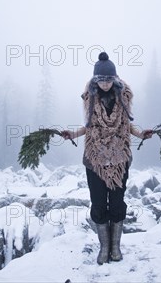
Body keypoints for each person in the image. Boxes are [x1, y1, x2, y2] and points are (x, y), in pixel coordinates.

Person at [61, 52, 153, 265]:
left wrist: (141, 134)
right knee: (99, 203)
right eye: (101, 79)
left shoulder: (123, 98)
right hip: (95, 161)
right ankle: (104, 247)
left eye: (108, 79)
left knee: (118, 203)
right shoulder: (90, 99)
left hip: (120, 158)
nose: (105, 84)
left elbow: (127, 125)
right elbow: (88, 127)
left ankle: (115, 247)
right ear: (95, 80)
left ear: (115, 79)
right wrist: (73, 134)